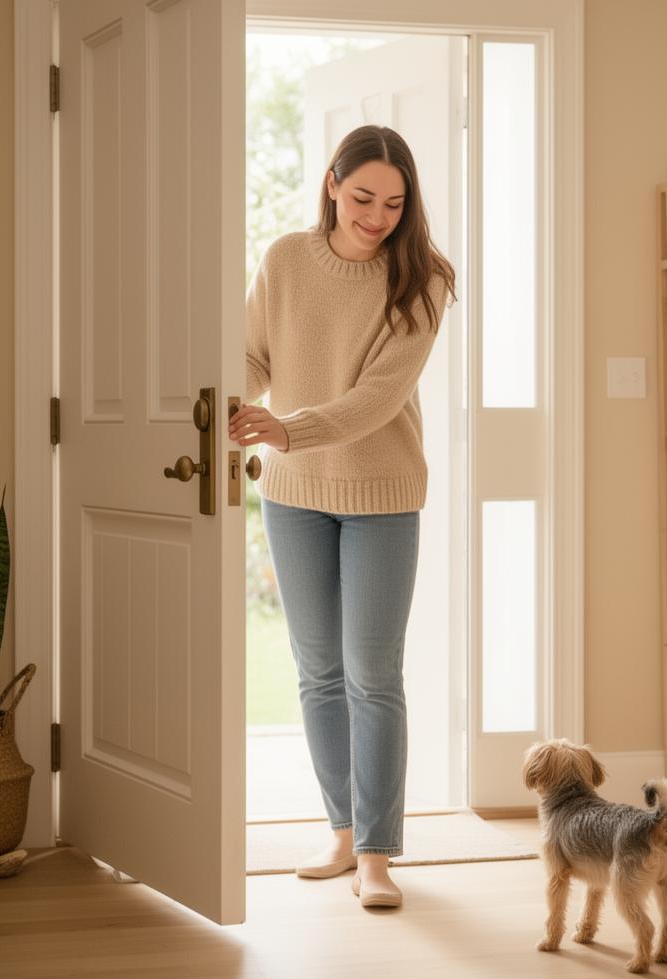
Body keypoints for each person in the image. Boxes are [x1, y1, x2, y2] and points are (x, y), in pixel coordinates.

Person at [230, 125, 456, 909]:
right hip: (292, 492)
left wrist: (289, 428)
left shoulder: (423, 279)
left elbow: (377, 399)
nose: (377, 215)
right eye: (363, 197)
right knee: (318, 671)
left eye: (394, 203)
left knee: (372, 674)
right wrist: (228, 395)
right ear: (331, 184)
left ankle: (376, 854)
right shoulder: (285, 260)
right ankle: (338, 831)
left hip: (382, 494)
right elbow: (258, 356)